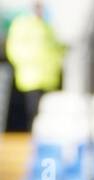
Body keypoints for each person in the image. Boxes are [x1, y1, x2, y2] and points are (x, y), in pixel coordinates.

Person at [4, 1, 64, 132]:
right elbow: (14, 49)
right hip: (30, 77)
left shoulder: (48, 27)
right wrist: (26, 63)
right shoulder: (22, 25)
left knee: (47, 113)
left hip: (49, 78)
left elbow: (57, 49)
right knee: (32, 111)